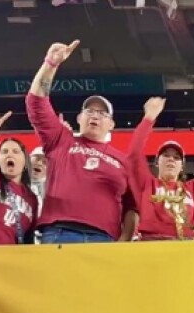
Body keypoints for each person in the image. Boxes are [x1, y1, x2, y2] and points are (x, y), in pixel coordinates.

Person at [26, 39, 137, 243]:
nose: (94, 116)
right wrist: (50, 64)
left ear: (111, 124)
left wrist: (124, 242)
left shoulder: (124, 161)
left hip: (104, 238)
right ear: (79, 118)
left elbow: (132, 207)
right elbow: (36, 103)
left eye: (102, 113)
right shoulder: (60, 140)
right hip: (58, 232)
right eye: (89, 111)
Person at [128, 97, 194, 241]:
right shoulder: (146, 184)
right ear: (157, 162)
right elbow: (134, 154)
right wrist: (149, 118)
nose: (171, 159)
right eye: (166, 155)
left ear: (182, 166)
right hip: (153, 243)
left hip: (188, 247)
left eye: (176, 157)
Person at [0, 117, 39, 246]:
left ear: (25, 162)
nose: (10, 155)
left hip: (9, 261)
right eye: (4, 152)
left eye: (16, 152)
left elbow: (28, 239)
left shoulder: (32, 198)